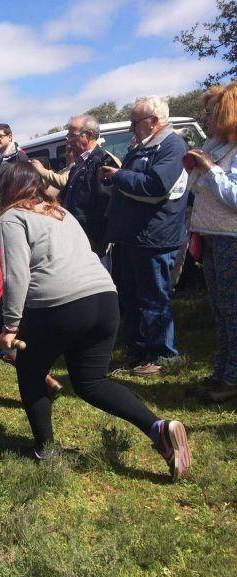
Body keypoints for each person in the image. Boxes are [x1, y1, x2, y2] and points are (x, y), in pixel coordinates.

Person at [0, 162, 190, 480]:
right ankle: (158, 428)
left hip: (60, 304)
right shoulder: (61, 212)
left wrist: (11, 325)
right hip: (104, 297)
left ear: (5, 190)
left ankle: (45, 448)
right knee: (91, 382)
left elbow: (16, 275)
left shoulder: (12, 218)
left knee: (30, 371)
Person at [99, 95, 190, 375]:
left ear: (153, 122)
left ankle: (162, 355)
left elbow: (157, 186)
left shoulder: (173, 146)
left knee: (153, 298)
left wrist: (118, 176)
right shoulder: (142, 147)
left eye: (134, 122)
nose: (130, 128)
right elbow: (133, 180)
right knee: (131, 297)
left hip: (154, 237)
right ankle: (136, 351)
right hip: (131, 236)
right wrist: (115, 180)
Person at [184, 82, 237, 403]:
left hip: (232, 239)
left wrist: (210, 169)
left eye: (210, 111)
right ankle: (221, 372)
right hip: (211, 236)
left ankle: (232, 379)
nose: (205, 117)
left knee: (232, 310)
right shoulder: (216, 145)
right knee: (220, 308)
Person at [60, 115, 118, 256]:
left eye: (73, 135)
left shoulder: (103, 161)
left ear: (89, 135)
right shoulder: (79, 163)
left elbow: (108, 202)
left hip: (92, 239)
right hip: (76, 235)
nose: (69, 140)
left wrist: (96, 238)